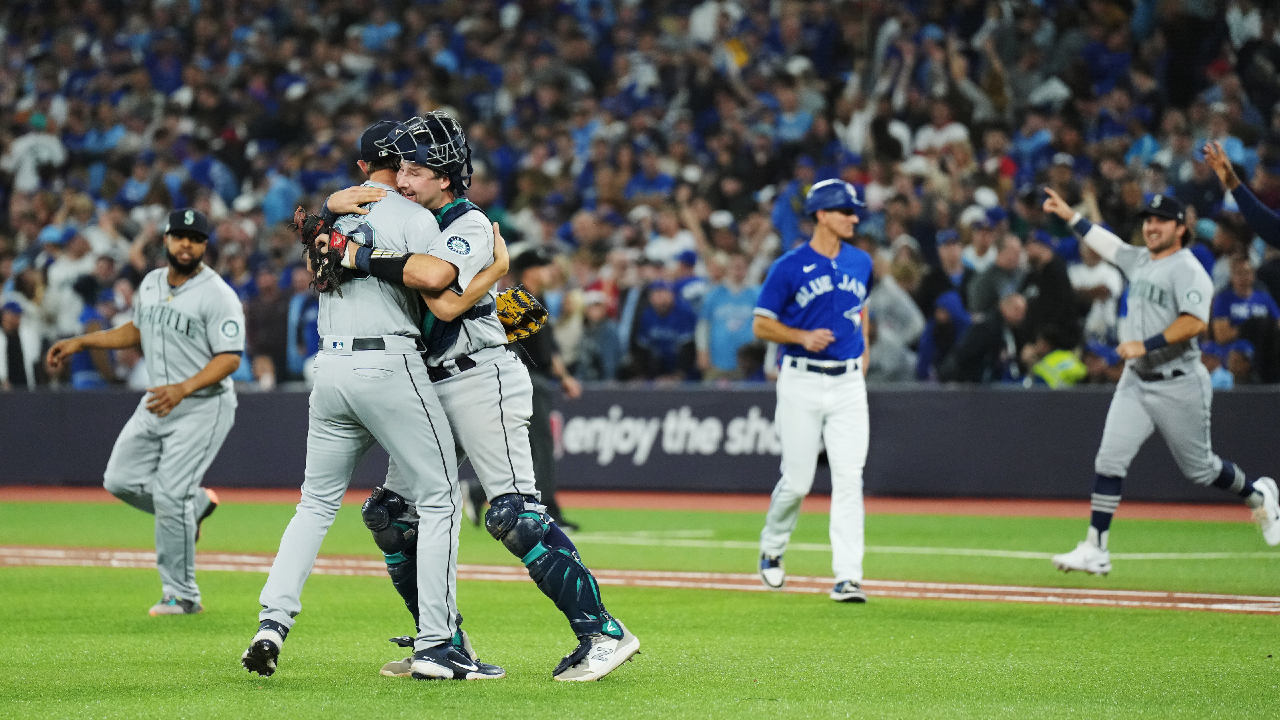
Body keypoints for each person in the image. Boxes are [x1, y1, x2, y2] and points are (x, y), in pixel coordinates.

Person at [332, 113, 638, 681]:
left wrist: (357, 255)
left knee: (514, 515)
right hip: (431, 383)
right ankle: (443, 644)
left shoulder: (467, 221)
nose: (403, 180)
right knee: (391, 516)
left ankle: (603, 632)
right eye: (400, 168)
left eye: (416, 170)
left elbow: (435, 287)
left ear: (446, 178)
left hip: (480, 377)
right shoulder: (416, 221)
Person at [240, 122, 493, 682]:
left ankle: (271, 623)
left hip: (329, 368)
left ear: (360, 168)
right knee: (441, 496)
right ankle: (437, 643)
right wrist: (494, 274)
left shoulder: (330, 218)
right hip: (389, 362)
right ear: (402, 166)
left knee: (315, 503)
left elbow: (314, 265)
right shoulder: (416, 217)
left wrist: (327, 212)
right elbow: (436, 285)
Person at [1040, 188, 1280, 575]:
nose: (1151, 227)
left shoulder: (1188, 269)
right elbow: (1109, 244)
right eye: (1148, 220)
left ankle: (1258, 494)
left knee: (1200, 469)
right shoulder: (1140, 260)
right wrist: (1071, 216)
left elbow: (1195, 322)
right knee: (1109, 459)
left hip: (1179, 382)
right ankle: (1095, 547)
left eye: (1160, 221)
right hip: (1136, 381)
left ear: (1180, 229)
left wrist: (1144, 344)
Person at [45, 208, 242, 615]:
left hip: (202, 405)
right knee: (119, 480)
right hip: (158, 400)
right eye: (180, 235)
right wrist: (83, 342)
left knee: (170, 494)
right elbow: (137, 329)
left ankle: (183, 595)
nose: (187, 243)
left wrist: (184, 388)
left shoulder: (217, 294)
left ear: (205, 246)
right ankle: (196, 507)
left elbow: (230, 358)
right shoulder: (151, 282)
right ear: (166, 240)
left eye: (195, 237)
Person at [752, 179, 873, 603]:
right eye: (846, 211)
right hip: (801, 377)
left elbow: (861, 311)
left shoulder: (861, 261)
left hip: (847, 382)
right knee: (799, 480)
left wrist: (864, 355)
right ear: (822, 214)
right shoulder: (789, 265)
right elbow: (761, 323)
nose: (854, 217)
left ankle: (848, 577)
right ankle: (773, 546)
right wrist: (801, 336)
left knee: (848, 477)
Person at [1204, 141, 1280, 250]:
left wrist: (1231, 180)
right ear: (1258, 169)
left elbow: (1271, 227)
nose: (1270, 179)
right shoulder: (1248, 189)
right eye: (1268, 174)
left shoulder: (1275, 197)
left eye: (1274, 177)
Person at [0, 302, 40, 390]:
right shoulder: (1, 338)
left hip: (26, 387)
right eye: (13, 315)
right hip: (4, 391)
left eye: (18, 316)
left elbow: (35, 360)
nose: (16, 319)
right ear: (5, 316)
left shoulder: (28, 336)